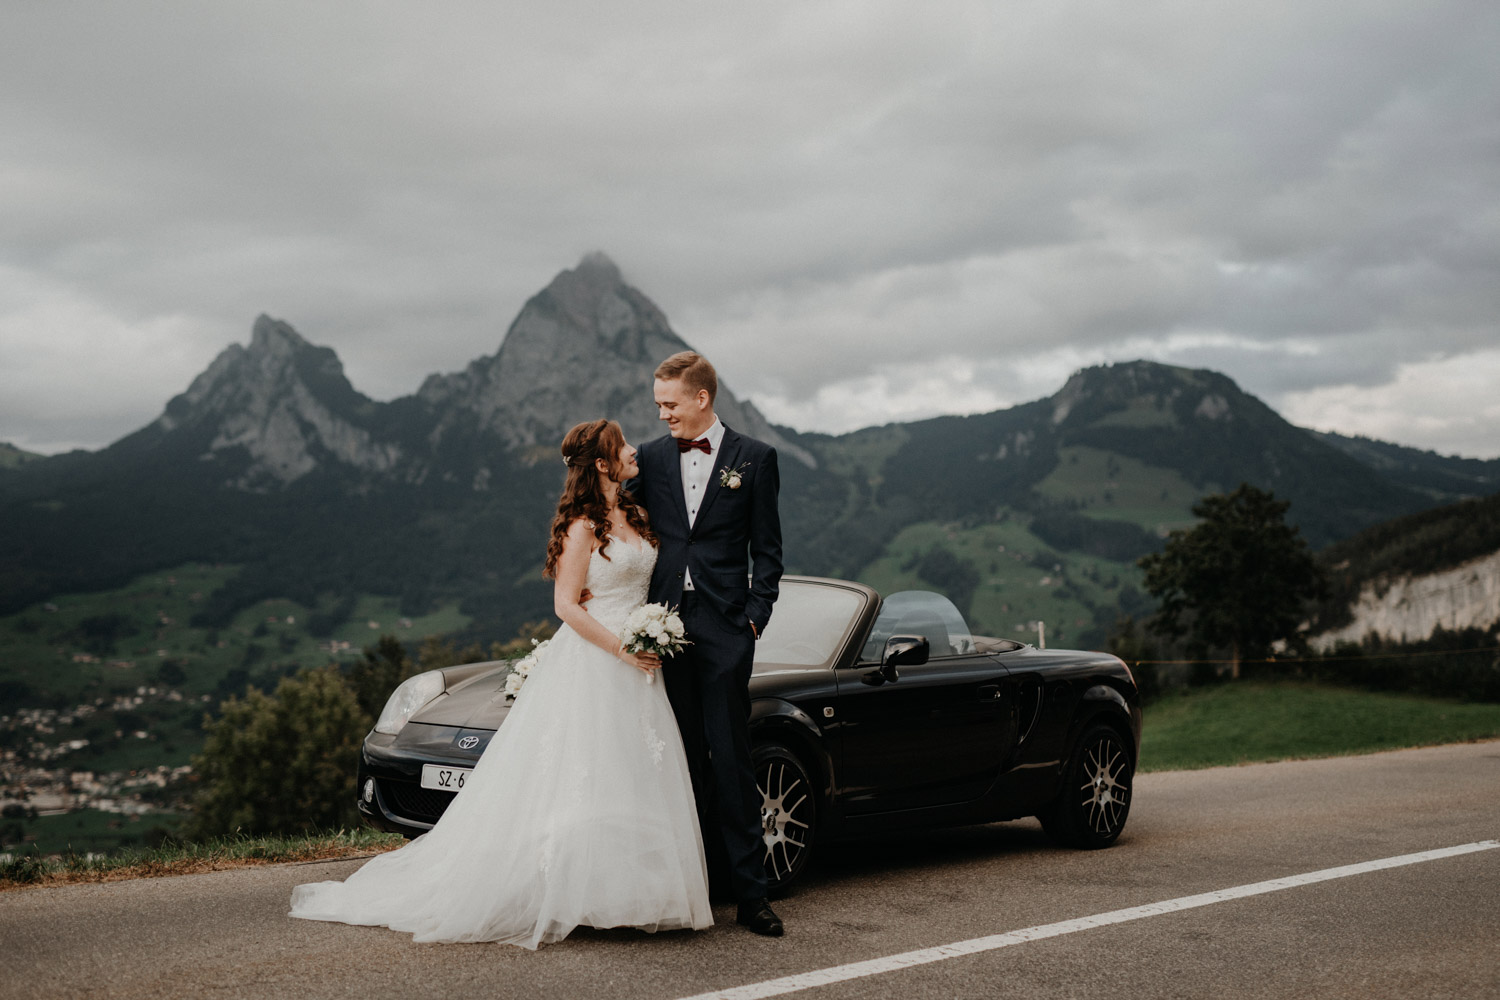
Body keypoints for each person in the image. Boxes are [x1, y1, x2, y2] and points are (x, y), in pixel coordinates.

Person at [288, 419, 711, 948]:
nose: (632, 451)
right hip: (599, 661)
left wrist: (650, 638)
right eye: (620, 447)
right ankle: (573, 893)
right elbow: (565, 606)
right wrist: (622, 649)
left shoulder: (635, 513)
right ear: (601, 465)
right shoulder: (583, 526)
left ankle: (631, 896)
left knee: (630, 773)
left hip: (639, 667)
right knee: (585, 775)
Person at [632, 351, 786, 937]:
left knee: (732, 762)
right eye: (657, 405)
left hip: (725, 627)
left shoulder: (756, 458)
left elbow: (768, 551)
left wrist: (753, 618)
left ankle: (753, 897)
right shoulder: (647, 458)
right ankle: (689, 891)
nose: (662, 413)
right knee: (678, 762)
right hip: (662, 627)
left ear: (702, 398)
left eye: (669, 403)